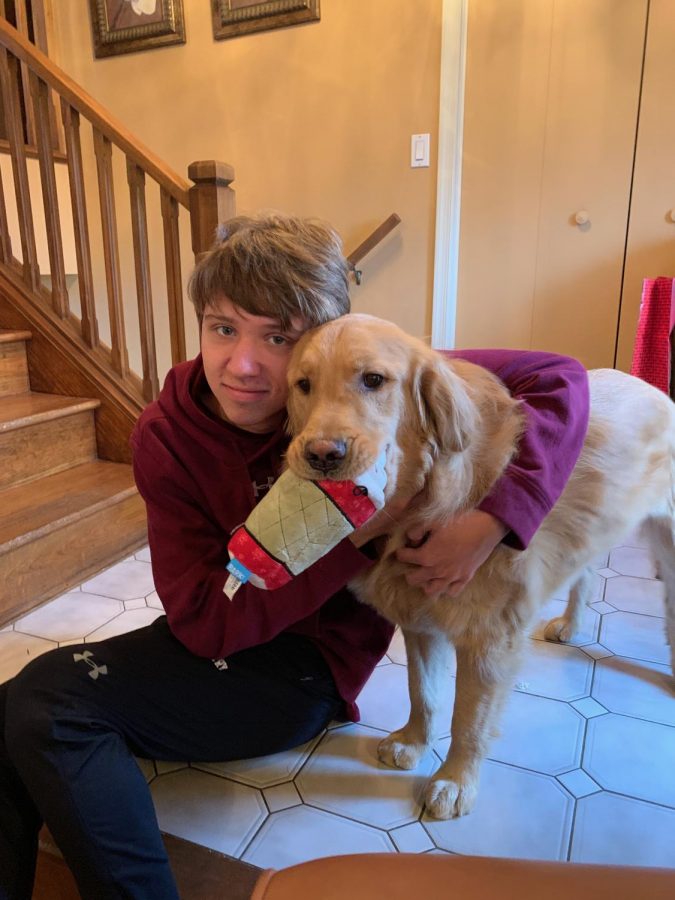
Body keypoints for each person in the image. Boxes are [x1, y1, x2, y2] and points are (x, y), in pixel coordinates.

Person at [0, 212, 590, 899]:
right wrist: (361, 531)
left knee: (44, 703)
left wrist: (499, 518)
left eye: (277, 338)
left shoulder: (369, 376)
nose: (242, 365)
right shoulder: (166, 433)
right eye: (223, 328)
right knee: (21, 708)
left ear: (324, 344)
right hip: (218, 637)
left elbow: (559, 376)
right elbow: (201, 621)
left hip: (306, 673)